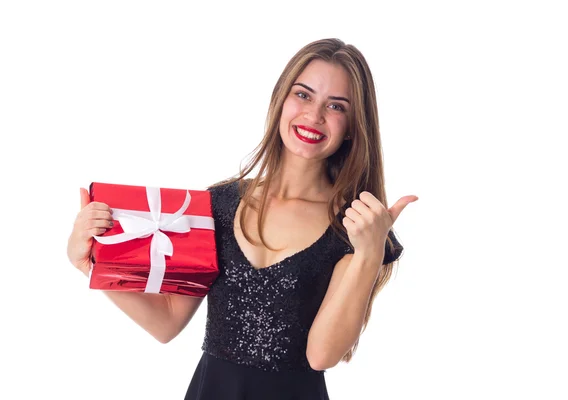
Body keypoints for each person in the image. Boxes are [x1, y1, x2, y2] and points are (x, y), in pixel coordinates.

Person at [67, 38, 418, 400]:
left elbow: (321, 355)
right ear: (281, 99)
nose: (314, 115)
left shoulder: (355, 227)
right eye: (303, 95)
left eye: (335, 106)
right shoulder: (218, 204)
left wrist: (369, 253)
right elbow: (166, 321)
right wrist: (91, 265)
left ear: (353, 125)